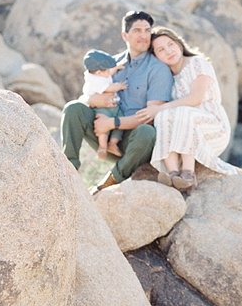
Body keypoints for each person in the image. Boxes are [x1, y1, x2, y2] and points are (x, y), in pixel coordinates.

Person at [60, 10, 174, 192]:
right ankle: (67, 171)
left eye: (147, 30)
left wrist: (112, 123)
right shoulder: (110, 64)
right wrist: (94, 100)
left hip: (134, 141)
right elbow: (88, 94)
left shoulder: (158, 69)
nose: (144, 36)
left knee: (147, 132)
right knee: (73, 108)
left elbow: (151, 117)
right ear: (125, 35)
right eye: (137, 30)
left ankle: (109, 181)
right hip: (102, 133)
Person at [134, 26, 236, 190]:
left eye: (170, 44)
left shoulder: (198, 63)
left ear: (179, 44)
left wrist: (160, 109)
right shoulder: (166, 77)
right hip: (184, 131)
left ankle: (188, 173)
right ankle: (173, 173)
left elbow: (196, 98)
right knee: (162, 116)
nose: (168, 51)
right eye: (161, 50)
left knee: (179, 111)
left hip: (213, 127)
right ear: (156, 57)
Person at [80, 49, 127, 160]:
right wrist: (119, 86)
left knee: (120, 123)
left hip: (114, 107)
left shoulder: (102, 74)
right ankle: (103, 146)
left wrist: (116, 67)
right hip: (102, 108)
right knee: (103, 127)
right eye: (106, 70)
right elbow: (108, 88)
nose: (109, 72)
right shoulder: (94, 81)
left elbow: (109, 72)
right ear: (98, 72)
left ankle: (113, 143)